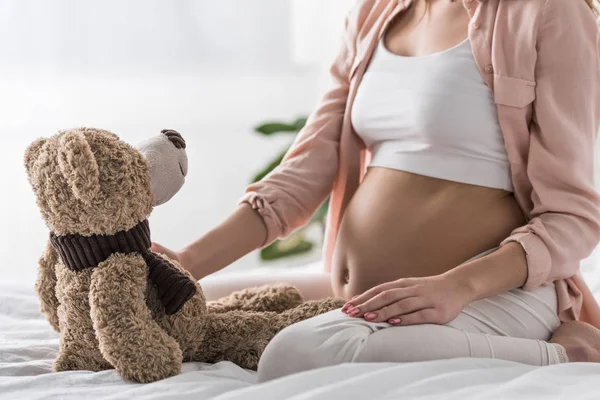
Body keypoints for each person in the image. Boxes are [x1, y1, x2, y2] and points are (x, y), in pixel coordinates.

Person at [153, 0, 600, 381]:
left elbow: (572, 217)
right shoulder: (374, 13)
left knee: (297, 353)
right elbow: (300, 176)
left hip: (491, 292)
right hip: (365, 293)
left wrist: (456, 287)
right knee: (178, 306)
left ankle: (566, 354)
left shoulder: (549, 12)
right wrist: (186, 265)